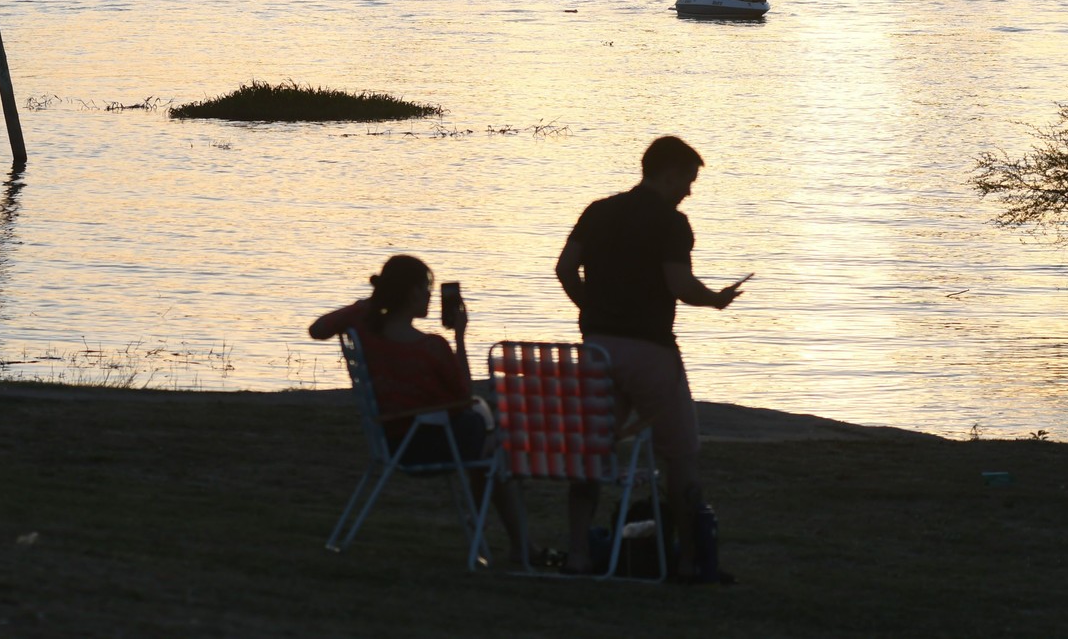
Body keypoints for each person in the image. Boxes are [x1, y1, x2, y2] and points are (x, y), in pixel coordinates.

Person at [554, 135, 746, 582]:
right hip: (650, 352)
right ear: (669, 172)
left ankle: (579, 555)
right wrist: (716, 300)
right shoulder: (672, 224)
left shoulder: (597, 210)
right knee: (679, 456)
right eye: (688, 179)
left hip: (597, 349)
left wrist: (589, 308)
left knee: (592, 451)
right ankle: (686, 562)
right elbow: (679, 285)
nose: (690, 191)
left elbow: (564, 268)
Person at [310, 254, 532, 564]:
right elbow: (464, 395)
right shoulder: (431, 347)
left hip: (391, 440)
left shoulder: (366, 329)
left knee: (490, 437)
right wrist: (460, 337)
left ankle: (481, 523)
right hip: (433, 442)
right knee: (500, 445)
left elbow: (318, 329)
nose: (430, 295)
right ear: (414, 293)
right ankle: (512, 544)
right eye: (428, 288)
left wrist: (363, 306)